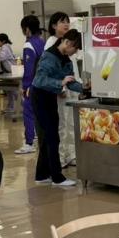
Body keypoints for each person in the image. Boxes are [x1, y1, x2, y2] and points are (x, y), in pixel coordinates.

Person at [31, 28, 83, 188]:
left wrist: (86, 88)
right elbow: (39, 80)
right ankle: (57, 177)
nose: (75, 53)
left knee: (48, 137)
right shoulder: (49, 56)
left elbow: (70, 82)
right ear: (67, 42)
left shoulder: (65, 59)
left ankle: (42, 175)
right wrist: (60, 82)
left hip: (50, 97)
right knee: (52, 137)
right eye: (75, 48)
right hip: (40, 97)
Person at [44, 11, 76, 167]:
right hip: (59, 91)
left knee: (71, 123)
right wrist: (60, 88)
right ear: (53, 25)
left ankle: (71, 155)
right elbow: (50, 70)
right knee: (61, 124)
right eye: (62, 22)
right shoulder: (51, 43)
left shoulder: (69, 41)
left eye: (67, 21)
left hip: (71, 89)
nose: (66, 24)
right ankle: (60, 157)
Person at [15, 15, 45, 155]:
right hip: (43, 84)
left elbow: (29, 68)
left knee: (28, 113)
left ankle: (29, 143)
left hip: (33, 85)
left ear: (26, 29)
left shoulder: (29, 44)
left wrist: (26, 86)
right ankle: (37, 137)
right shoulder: (42, 42)